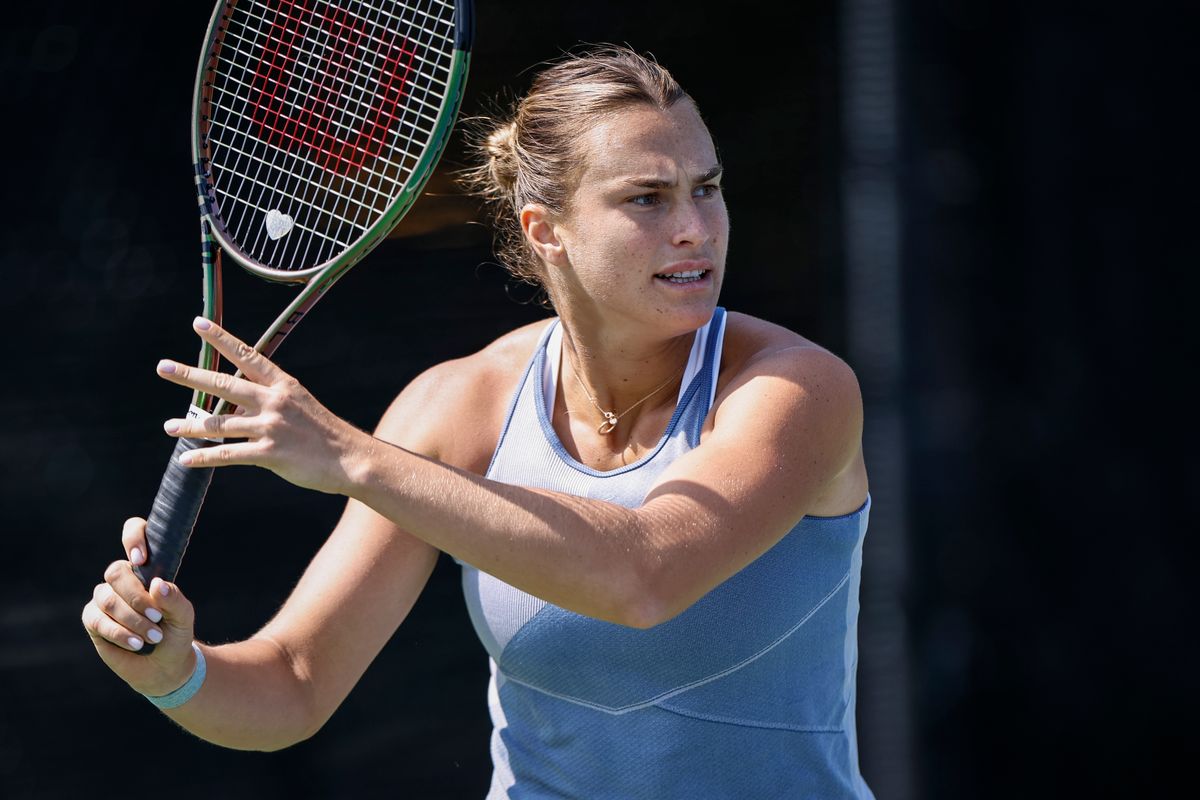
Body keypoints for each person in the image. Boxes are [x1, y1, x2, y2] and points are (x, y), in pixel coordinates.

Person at [82, 46, 874, 798]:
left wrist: (352, 459)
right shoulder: (459, 406)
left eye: (707, 186)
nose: (696, 228)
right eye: (647, 197)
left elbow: (644, 578)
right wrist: (175, 674)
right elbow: (291, 682)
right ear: (545, 230)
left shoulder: (796, 391)